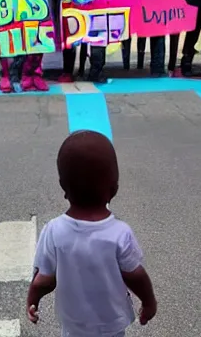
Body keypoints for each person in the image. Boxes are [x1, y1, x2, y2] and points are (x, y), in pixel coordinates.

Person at [27, 130, 157, 336]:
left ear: (63, 186)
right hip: (111, 325)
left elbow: (44, 279)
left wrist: (32, 299)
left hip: (73, 324)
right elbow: (135, 275)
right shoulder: (119, 233)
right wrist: (149, 302)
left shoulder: (53, 230)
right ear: (114, 188)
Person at [60, 0, 107, 83]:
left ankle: (96, 72)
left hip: (93, 33)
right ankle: (68, 72)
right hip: (75, 33)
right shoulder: (68, 0)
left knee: (99, 43)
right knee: (68, 44)